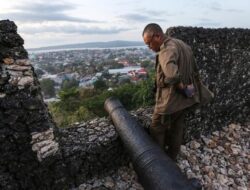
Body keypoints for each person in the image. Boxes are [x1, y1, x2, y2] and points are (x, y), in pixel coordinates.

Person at [142, 23, 213, 161]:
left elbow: (172, 75)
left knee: (157, 127)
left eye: (149, 43)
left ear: (157, 36)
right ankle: (172, 156)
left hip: (169, 101)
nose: (149, 48)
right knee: (177, 127)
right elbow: (194, 70)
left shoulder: (166, 50)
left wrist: (174, 84)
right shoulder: (182, 44)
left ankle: (159, 162)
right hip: (184, 100)